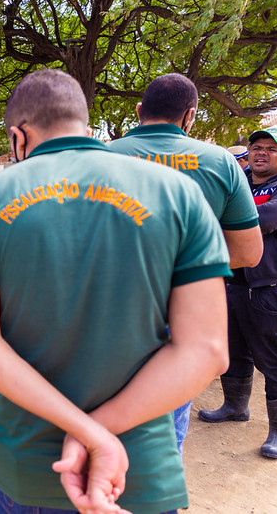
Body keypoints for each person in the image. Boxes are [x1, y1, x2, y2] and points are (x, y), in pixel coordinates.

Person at [0, 69, 231, 513]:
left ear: (17, 137)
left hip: (27, 467)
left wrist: (87, 432)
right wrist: (103, 431)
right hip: (137, 469)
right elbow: (208, 350)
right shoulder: (180, 194)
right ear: (84, 124)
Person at [107, 73, 262, 453]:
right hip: (181, 316)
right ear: (189, 115)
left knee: (99, 428)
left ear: (140, 110)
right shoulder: (220, 162)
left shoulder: (94, 157)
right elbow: (248, 252)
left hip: (103, 315)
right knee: (162, 438)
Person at [199, 125, 277, 460]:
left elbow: (266, 218)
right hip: (228, 280)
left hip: (267, 285)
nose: (261, 152)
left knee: (272, 358)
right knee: (233, 349)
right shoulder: (237, 180)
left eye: (272, 148)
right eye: (257, 146)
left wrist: (216, 214)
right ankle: (234, 406)